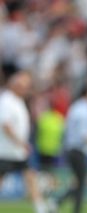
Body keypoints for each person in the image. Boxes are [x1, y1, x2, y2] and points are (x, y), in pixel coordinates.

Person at [0, 71, 47, 213]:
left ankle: (40, 207)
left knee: (30, 176)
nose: (25, 89)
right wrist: (20, 142)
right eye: (22, 85)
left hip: (18, 151)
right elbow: (6, 125)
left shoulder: (18, 100)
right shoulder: (6, 100)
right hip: (6, 150)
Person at [56, 82, 87, 213]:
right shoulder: (85, 109)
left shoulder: (78, 106)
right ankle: (75, 210)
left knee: (79, 182)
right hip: (77, 150)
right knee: (81, 183)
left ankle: (57, 202)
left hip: (73, 149)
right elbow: (84, 135)